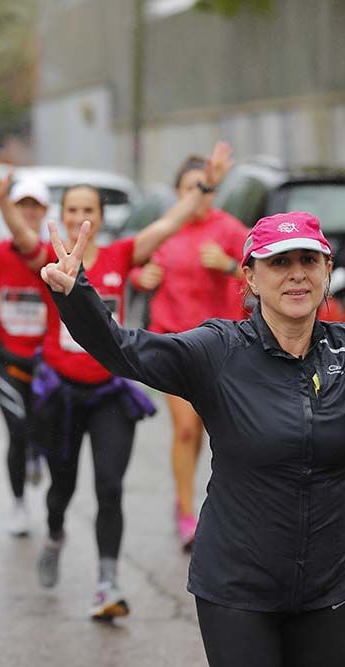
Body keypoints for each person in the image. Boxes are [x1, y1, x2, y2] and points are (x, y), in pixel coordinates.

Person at [39, 211, 345, 665]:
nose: (296, 273)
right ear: (251, 277)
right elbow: (126, 351)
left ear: (326, 271)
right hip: (236, 591)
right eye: (280, 262)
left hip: (326, 590)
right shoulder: (217, 351)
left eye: (308, 260)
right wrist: (76, 296)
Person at [0, 148, 229, 621]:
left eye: (90, 211)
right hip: (59, 393)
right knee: (61, 488)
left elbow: (167, 225)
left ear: (101, 218)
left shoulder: (123, 255)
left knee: (109, 487)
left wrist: (203, 189)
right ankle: (56, 532)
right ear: (62, 217)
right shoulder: (48, 257)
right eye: (73, 210)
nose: (82, 217)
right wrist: (4, 201)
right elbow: (21, 235)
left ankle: (107, 584)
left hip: (109, 394)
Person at [129, 147, 246, 551]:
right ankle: (184, 512)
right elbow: (131, 261)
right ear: (178, 194)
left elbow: (265, 277)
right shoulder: (167, 229)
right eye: (189, 189)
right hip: (173, 341)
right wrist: (141, 276)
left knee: (213, 433)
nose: (198, 196)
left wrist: (230, 266)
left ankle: (214, 510)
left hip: (222, 345)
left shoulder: (231, 231)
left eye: (205, 189)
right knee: (184, 427)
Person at [0, 156, 51, 536]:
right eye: (23, 206)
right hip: (6, 357)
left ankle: (37, 450)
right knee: (16, 429)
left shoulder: (53, 255)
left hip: (46, 364)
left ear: (46, 212)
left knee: (41, 431)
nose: (29, 213)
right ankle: (19, 504)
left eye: (36, 207)